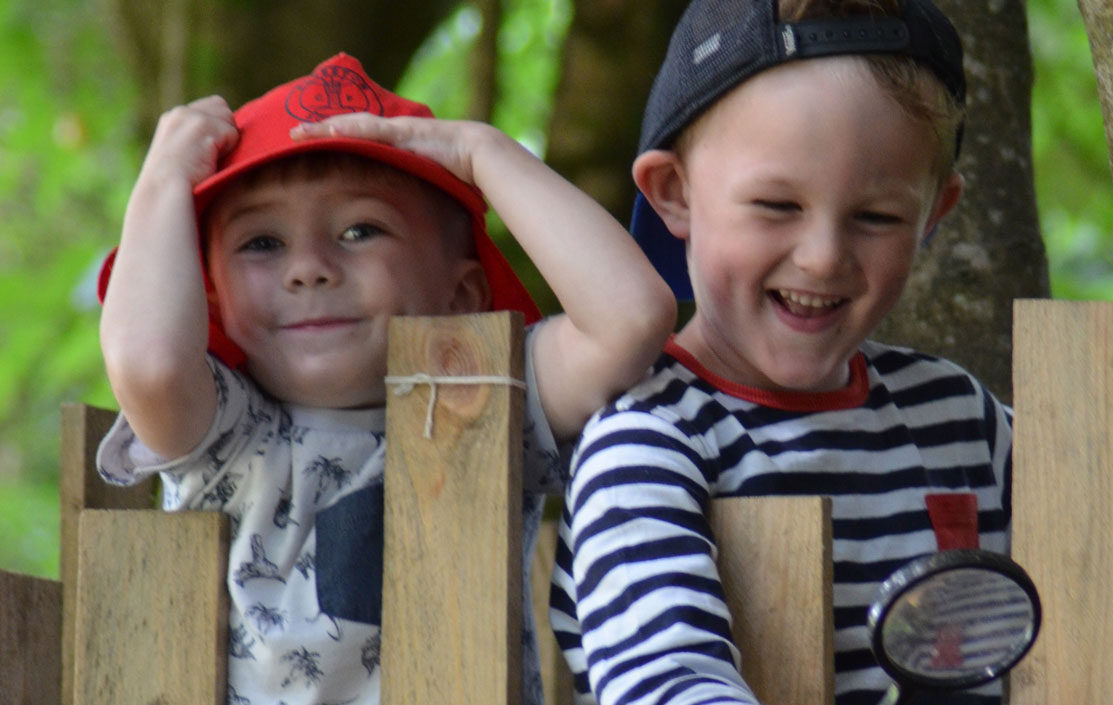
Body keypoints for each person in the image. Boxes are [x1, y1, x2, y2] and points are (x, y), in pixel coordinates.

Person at [96, 53, 674, 705]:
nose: (308, 267)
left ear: (462, 296)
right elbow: (149, 366)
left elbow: (631, 317)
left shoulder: (488, 405)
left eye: (359, 229)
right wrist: (162, 182)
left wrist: (480, 151)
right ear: (212, 300)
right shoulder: (225, 433)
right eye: (262, 243)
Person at [547, 2, 1012, 704]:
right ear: (675, 194)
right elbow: (670, 684)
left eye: (876, 216)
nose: (823, 258)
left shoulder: (961, 419)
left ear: (932, 216)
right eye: (776, 205)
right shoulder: (646, 445)